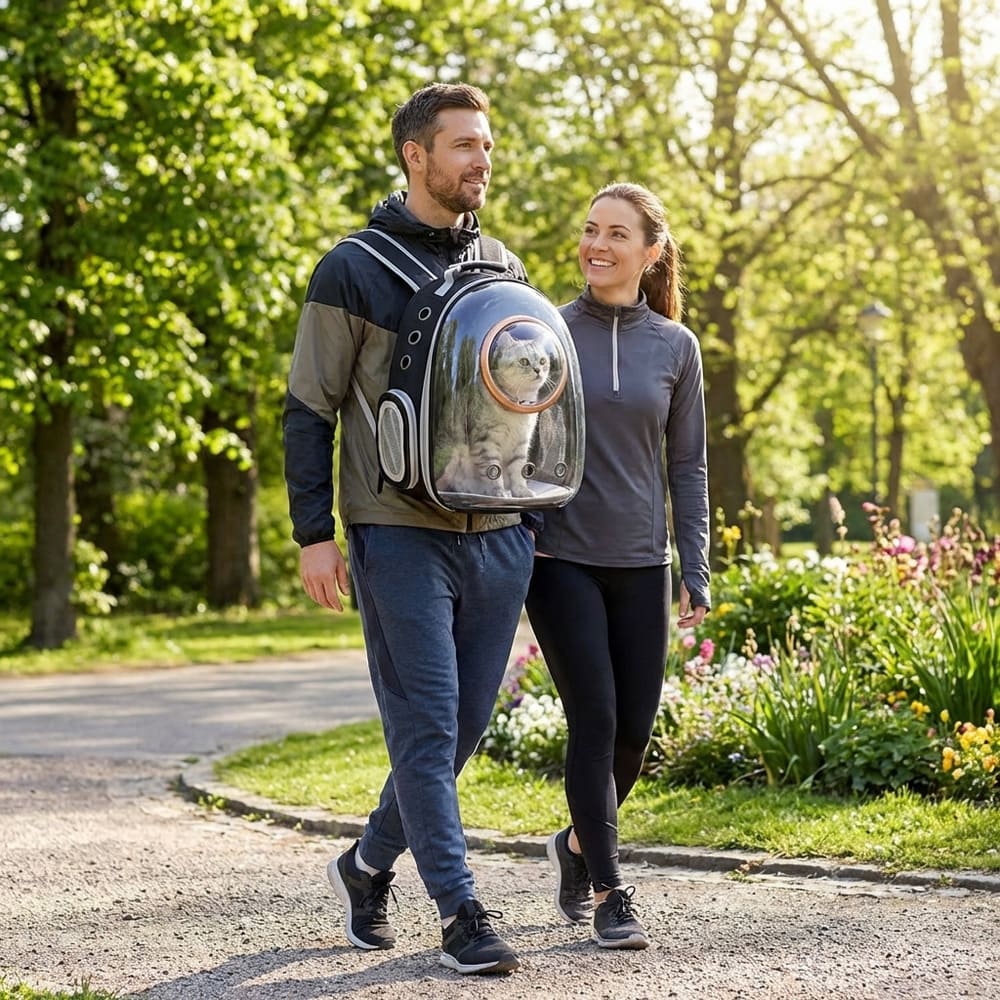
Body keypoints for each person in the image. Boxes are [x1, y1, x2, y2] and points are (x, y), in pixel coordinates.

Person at [282, 83, 535, 976]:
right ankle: (462, 910)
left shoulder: (504, 268)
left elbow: (529, 401)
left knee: (463, 729)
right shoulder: (351, 267)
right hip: (396, 529)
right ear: (415, 156)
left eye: (487, 145)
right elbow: (309, 408)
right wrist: (316, 532)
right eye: (463, 145)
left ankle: (363, 865)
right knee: (426, 725)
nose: (481, 161)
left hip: (501, 528)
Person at [524, 182, 711, 950]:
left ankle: (572, 847)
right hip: (559, 556)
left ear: (650, 251)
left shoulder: (676, 347)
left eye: (616, 234)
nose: (596, 245)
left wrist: (695, 563)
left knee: (634, 730)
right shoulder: (541, 332)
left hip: (642, 561)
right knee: (595, 720)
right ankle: (609, 891)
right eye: (589, 230)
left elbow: (689, 465)